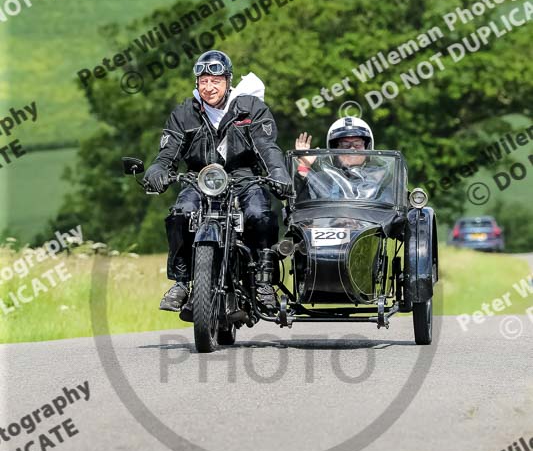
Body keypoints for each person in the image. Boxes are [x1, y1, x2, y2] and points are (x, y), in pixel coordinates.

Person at [143, 50, 292, 319]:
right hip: (199, 178)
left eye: (216, 81)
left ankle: (263, 280)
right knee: (181, 212)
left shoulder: (250, 108)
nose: (209, 87)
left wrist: (279, 173)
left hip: (244, 178)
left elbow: (267, 147)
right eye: (203, 81)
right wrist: (157, 171)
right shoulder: (185, 113)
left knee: (260, 213)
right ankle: (182, 282)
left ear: (228, 81)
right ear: (197, 82)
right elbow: (168, 152)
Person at [294, 117, 392, 201]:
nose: (352, 149)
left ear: (367, 148)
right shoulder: (322, 180)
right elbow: (301, 206)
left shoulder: (380, 180)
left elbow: (392, 214)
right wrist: (304, 165)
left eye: (357, 144)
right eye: (345, 145)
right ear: (334, 151)